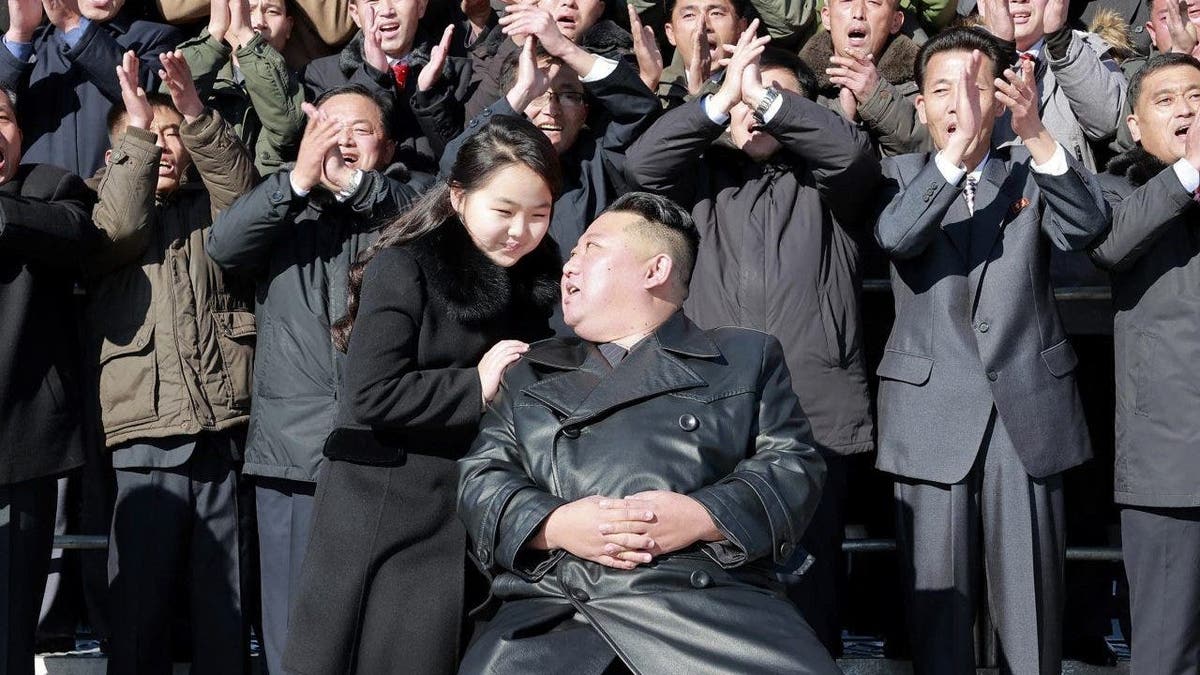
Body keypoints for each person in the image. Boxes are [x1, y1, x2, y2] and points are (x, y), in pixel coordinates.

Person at [456, 192, 838, 675]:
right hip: (558, 606)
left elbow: (793, 463)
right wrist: (555, 525)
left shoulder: (743, 357)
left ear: (654, 270)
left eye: (591, 249)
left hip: (707, 607)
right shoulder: (531, 370)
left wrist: (704, 515)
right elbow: (481, 475)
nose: (569, 266)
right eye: (571, 254)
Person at [624, 28, 878, 654]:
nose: (753, 107)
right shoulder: (698, 183)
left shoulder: (830, 186)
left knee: (809, 596)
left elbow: (848, 155)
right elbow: (641, 164)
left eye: (773, 99)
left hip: (813, 418)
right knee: (712, 598)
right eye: (743, 98)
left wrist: (767, 100)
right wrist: (718, 100)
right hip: (709, 418)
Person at [283, 115, 561, 675]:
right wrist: (475, 386)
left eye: (539, 215)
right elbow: (370, 394)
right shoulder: (404, 265)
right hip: (385, 506)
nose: (521, 231)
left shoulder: (535, 280)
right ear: (458, 198)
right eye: (504, 212)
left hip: (471, 502)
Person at [874, 27, 1110, 674]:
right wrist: (953, 161)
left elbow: (1090, 227)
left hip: (1026, 407)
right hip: (931, 412)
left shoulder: (1032, 166)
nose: (962, 104)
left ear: (1004, 95)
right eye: (942, 90)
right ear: (918, 105)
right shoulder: (897, 174)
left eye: (977, 87)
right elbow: (897, 237)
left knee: (1033, 609)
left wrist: (1035, 133)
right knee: (937, 620)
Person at [206, 83, 424, 675]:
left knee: (375, 622)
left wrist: (354, 187)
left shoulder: (408, 204)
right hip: (290, 452)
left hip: (384, 449)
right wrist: (298, 180)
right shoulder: (284, 205)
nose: (342, 140)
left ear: (388, 144)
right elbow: (223, 246)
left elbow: (430, 225)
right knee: (290, 625)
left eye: (359, 129)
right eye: (329, 127)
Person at [86, 49, 257, 675]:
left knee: (226, 612)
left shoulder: (208, 207)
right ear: (119, 152)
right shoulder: (97, 207)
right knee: (139, 615)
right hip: (145, 436)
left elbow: (246, 203)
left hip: (222, 431)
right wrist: (137, 125)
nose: (163, 147)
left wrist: (194, 113)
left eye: (171, 136)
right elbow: (120, 230)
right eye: (145, 135)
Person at [438, 15, 659, 333]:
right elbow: (453, 165)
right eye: (539, 93)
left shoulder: (598, 158)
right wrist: (522, 91)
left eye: (569, 95)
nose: (551, 108)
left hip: (583, 343)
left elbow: (640, 108)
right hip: (497, 343)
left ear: (585, 110)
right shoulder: (495, 158)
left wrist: (567, 50)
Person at [1089, 52, 1200, 675]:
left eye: (1197, 96)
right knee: (1164, 653)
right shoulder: (1118, 190)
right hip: (1170, 464)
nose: (1186, 110)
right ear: (1134, 126)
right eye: (1166, 101)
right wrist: (1189, 172)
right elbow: (1107, 244)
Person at [0, 85, 96, 675]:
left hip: (18, 446)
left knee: (11, 624)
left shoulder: (48, 186)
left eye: (2, 117)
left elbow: (77, 233)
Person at [0, 0, 180, 177]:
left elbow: (151, 97)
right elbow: (4, 108)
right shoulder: (33, 45)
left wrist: (72, 24)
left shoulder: (156, 36)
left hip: (115, 194)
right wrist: (19, 33)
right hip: (35, 198)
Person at [300, 0, 473, 174]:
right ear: (355, 13)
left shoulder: (458, 73)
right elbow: (322, 162)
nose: (387, 10)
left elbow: (464, 164)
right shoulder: (320, 74)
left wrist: (428, 96)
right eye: (373, 1)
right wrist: (373, 78)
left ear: (421, 6)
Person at [173, 0, 305, 175]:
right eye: (247, 10)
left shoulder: (299, 85)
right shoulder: (201, 74)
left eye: (272, 12)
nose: (258, 22)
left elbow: (286, 130)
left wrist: (246, 35)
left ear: (288, 27)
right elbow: (170, 111)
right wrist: (214, 32)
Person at [804, 0, 923, 156]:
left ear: (895, 21)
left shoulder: (923, 83)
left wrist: (877, 97)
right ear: (827, 17)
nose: (858, 13)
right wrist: (842, 117)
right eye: (846, 1)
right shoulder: (799, 86)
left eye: (873, 2)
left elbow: (931, 150)